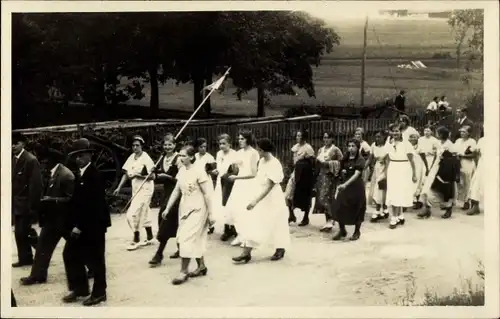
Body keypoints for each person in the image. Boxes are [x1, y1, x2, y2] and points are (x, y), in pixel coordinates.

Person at [62, 138, 111, 306]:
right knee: (70, 254)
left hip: (94, 225)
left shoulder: (94, 175)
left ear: (89, 155)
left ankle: (100, 293)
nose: (78, 159)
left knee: (96, 260)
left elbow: (93, 206)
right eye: (76, 156)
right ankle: (80, 288)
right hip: (83, 224)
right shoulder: (81, 174)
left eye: (81, 155)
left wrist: (79, 226)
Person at [160, 145, 214, 285]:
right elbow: (176, 191)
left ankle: (183, 271)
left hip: (198, 208)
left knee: (186, 238)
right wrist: (168, 208)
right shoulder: (182, 171)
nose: (180, 158)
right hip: (185, 208)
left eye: (184, 155)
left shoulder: (199, 171)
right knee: (192, 237)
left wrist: (212, 214)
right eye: (180, 156)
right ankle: (201, 266)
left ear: (191, 157)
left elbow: (207, 194)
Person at [20, 148, 75, 285]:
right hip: (52, 219)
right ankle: (38, 275)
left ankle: (92, 268)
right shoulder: (52, 173)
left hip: (64, 220)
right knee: (43, 247)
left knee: (78, 246)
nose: (41, 163)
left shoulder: (66, 175)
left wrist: (53, 199)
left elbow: (72, 200)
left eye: (43, 160)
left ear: (50, 161)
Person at [232, 138, 290, 263]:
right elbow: (258, 180)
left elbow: (269, 186)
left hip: (273, 198)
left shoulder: (275, 163)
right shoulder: (262, 161)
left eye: (259, 149)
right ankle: (246, 253)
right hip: (261, 195)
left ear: (264, 150)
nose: (258, 151)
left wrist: (255, 201)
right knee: (254, 222)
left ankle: (280, 248)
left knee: (276, 223)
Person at [113, 135, 156, 251]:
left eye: (137, 145)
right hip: (136, 188)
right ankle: (150, 237)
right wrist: (119, 187)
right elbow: (126, 173)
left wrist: (139, 175)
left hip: (146, 188)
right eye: (133, 145)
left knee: (132, 214)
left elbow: (152, 176)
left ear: (142, 146)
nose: (135, 147)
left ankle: (136, 239)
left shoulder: (146, 158)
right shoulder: (132, 157)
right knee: (145, 211)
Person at [149, 134, 181, 266]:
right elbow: (156, 177)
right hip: (166, 193)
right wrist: (153, 173)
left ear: (174, 145)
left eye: (170, 144)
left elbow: (181, 179)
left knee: (167, 219)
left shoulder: (179, 158)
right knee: (173, 220)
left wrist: (166, 176)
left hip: (178, 193)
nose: (167, 147)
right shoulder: (162, 158)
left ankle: (159, 254)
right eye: (165, 145)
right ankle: (181, 248)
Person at [12, 132, 42, 268]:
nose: (12, 146)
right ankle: (26, 258)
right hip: (16, 203)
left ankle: (42, 252)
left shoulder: (30, 160)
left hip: (26, 203)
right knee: (20, 232)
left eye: (15, 143)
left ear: (22, 144)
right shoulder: (12, 159)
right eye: (11, 143)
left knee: (23, 231)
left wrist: (33, 206)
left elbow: (35, 185)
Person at [225, 130, 260, 246]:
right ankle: (240, 235)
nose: (240, 141)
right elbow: (234, 165)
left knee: (246, 210)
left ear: (248, 140)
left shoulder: (254, 153)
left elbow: (254, 174)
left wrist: (237, 177)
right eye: (239, 139)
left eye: (242, 139)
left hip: (248, 183)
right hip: (238, 183)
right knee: (236, 209)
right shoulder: (239, 152)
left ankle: (247, 237)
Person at [382, 126, 417, 229]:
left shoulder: (406, 143)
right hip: (393, 168)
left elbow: (411, 160)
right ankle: (399, 215)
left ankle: (395, 216)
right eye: (393, 131)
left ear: (400, 132)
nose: (395, 133)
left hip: (404, 168)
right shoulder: (389, 143)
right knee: (393, 191)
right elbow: (387, 159)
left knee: (400, 191)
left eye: (397, 131)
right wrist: (385, 172)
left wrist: (414, 174)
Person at [331, 139, 366, 241]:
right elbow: (340, 169)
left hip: (356, 187)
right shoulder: (345, 158)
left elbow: (356, 174)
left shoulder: (360, 159)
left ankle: (357, 231)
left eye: (353, 146)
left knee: (357, 209)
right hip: (344, 186)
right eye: (349, 146)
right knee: (339, 206)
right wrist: (342, 172)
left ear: (357, 147)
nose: (351, 148)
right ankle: (342, 230)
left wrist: (345, 184)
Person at [418, 126, 457, 219]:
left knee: (445, 189)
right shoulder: (438, 143)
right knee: (428, 186)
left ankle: (448, 208)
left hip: (445, 170)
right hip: (436, 167)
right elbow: (436, 155)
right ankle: (426, 208)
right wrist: (430, 168)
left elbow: (453, 160)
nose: (436, 134)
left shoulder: (450, 145)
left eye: (438, 133)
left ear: (442, 134)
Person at [313, 132, 342, 232]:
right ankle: (328, 221)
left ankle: (333, 217)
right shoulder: (321, 150)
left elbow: (341, 161)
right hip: (321, 176)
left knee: (325, 197)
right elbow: (317, 163)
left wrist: (330, 163)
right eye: (324, 138)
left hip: (330, 176)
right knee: (321, 198)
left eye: (328, 138)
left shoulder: (335, 149)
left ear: (332, 139)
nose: (325, 140)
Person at [286, 130, 316, 226]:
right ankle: (291, 215)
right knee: (288, 193)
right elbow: (292, 161)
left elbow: (312, 163)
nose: (297, 137)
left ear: (304, 137)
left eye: (299, 136)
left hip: (305, 175)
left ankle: (306, 217)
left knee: (305, 196)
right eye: (297, 136)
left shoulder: (308, 148)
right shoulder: (295, 147)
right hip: (295, 173)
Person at [212, 134, 239, 241]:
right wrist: (216, 171)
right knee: (221, 204)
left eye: (224, 144)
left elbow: (236, 170)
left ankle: (234, 228)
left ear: (230, 144)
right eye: (220, 144)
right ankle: (226, 228)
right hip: (220, 181)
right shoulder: (219, 154)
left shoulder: (234, 154)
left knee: (230, 203)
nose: (222, 146)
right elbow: (219, 167)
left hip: (230, 182)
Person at [453, 125, 477, 210]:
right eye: (461, 131)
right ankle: (460, 200)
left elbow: (474, 154)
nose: (462, 133)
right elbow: (454, 151)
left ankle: (467, 201)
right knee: (459, 182)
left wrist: (463, 155)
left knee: (467, 182)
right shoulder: (458, 141)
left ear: (469, 133)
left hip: (467, 164)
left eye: (464, 132)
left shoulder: (472, 141)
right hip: (458, 163)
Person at [368, 130, 389, 222]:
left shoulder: (387, 146)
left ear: (384, 137)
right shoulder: (373, 145)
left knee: (381, 189)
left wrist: (386, 174)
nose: (377, 139)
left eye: (379, 137)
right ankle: (384, 210)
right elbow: (370, 159)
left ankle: (377, 211)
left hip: (385, 169)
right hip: (377, 168)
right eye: (376, 137)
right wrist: (363, 168)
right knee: (378, 189)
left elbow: (388, 161)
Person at [466, 128, 484, 215]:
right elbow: (475, 151)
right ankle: (475, 206)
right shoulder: (482, 140)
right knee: (475, 184)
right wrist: (470, 149)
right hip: (483, 165)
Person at [409, 133, 425, 209]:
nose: (412, 139)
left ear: (417, 138)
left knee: (417, 183)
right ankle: (409, 200)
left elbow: (424, 159)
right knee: (409, 183)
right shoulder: (407, 146)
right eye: (411, 137)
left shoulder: (420, 147)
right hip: (409, 166)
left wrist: (427, 169)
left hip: (418, 166)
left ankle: (419, 201)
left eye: (414, 137)